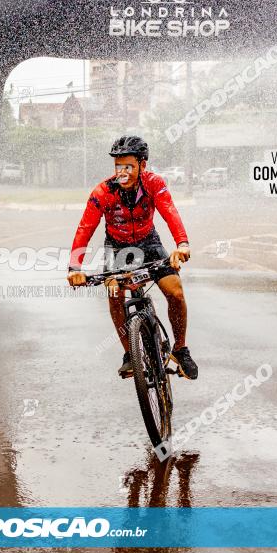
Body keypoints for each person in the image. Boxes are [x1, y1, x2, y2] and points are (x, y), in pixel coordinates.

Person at [66, 136, 198, 380]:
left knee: (176, 291)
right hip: (117, 249)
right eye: (118, 167)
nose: (122, 173)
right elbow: (85, 227)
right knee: (115, 293)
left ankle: (180, 349)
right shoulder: (103, 191)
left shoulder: (154, 184)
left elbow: (170, 212)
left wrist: (182, 244)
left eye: (128, 166)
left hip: (149, 243)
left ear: (142, 165)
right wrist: (75, 267)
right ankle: (129, 353)